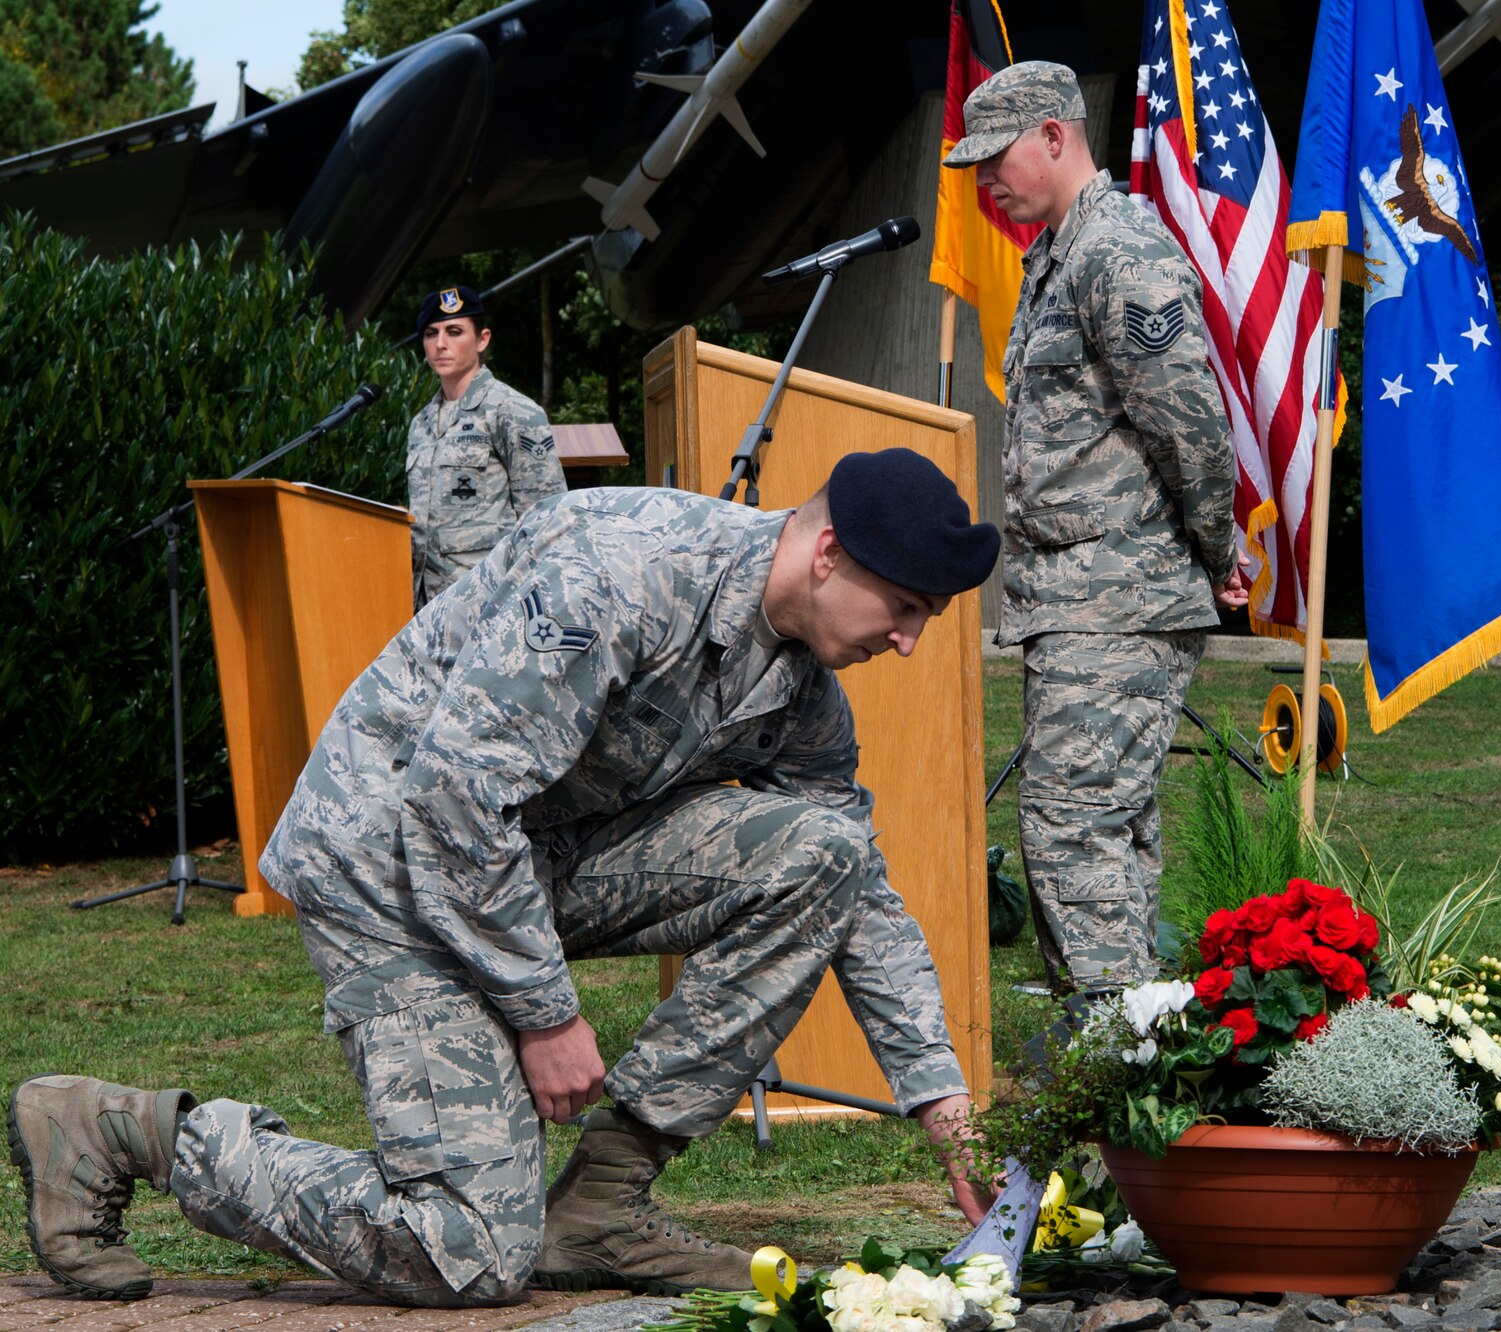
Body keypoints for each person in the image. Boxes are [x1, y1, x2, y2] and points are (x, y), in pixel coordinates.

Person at [8, 449, 1001, 1307]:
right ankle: (127, 1131)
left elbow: (862, 896)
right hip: (387, 868)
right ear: (827, 554)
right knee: (472, 1252)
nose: (908, 641)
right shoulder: (623, 572)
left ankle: (602, 1205)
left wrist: (945, 1111)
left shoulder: (801, 692)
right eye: (905, 607)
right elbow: (454, 795)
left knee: (825, 855)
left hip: (523, 865)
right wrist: (546, 1015)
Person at [943, 62, 1249, 996]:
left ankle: (1115, 1046)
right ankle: (1131, 1048)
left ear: (1053, 135)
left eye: (995, 157)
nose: (985, 181)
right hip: (1079, 599)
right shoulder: (1058, 255)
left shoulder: (1119, 249)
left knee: (1072, 822)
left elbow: (1189, 423)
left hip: (1122, 594)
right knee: (1103, 824)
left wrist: (1218, 547)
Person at [407, 284, 567, 609]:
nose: (440, 344)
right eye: (431, 333)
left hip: (488, 602)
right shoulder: (420, 424)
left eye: (454, 332)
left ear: (482, 340)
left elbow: (548, 520)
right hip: (425, 609)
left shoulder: (512, 411)